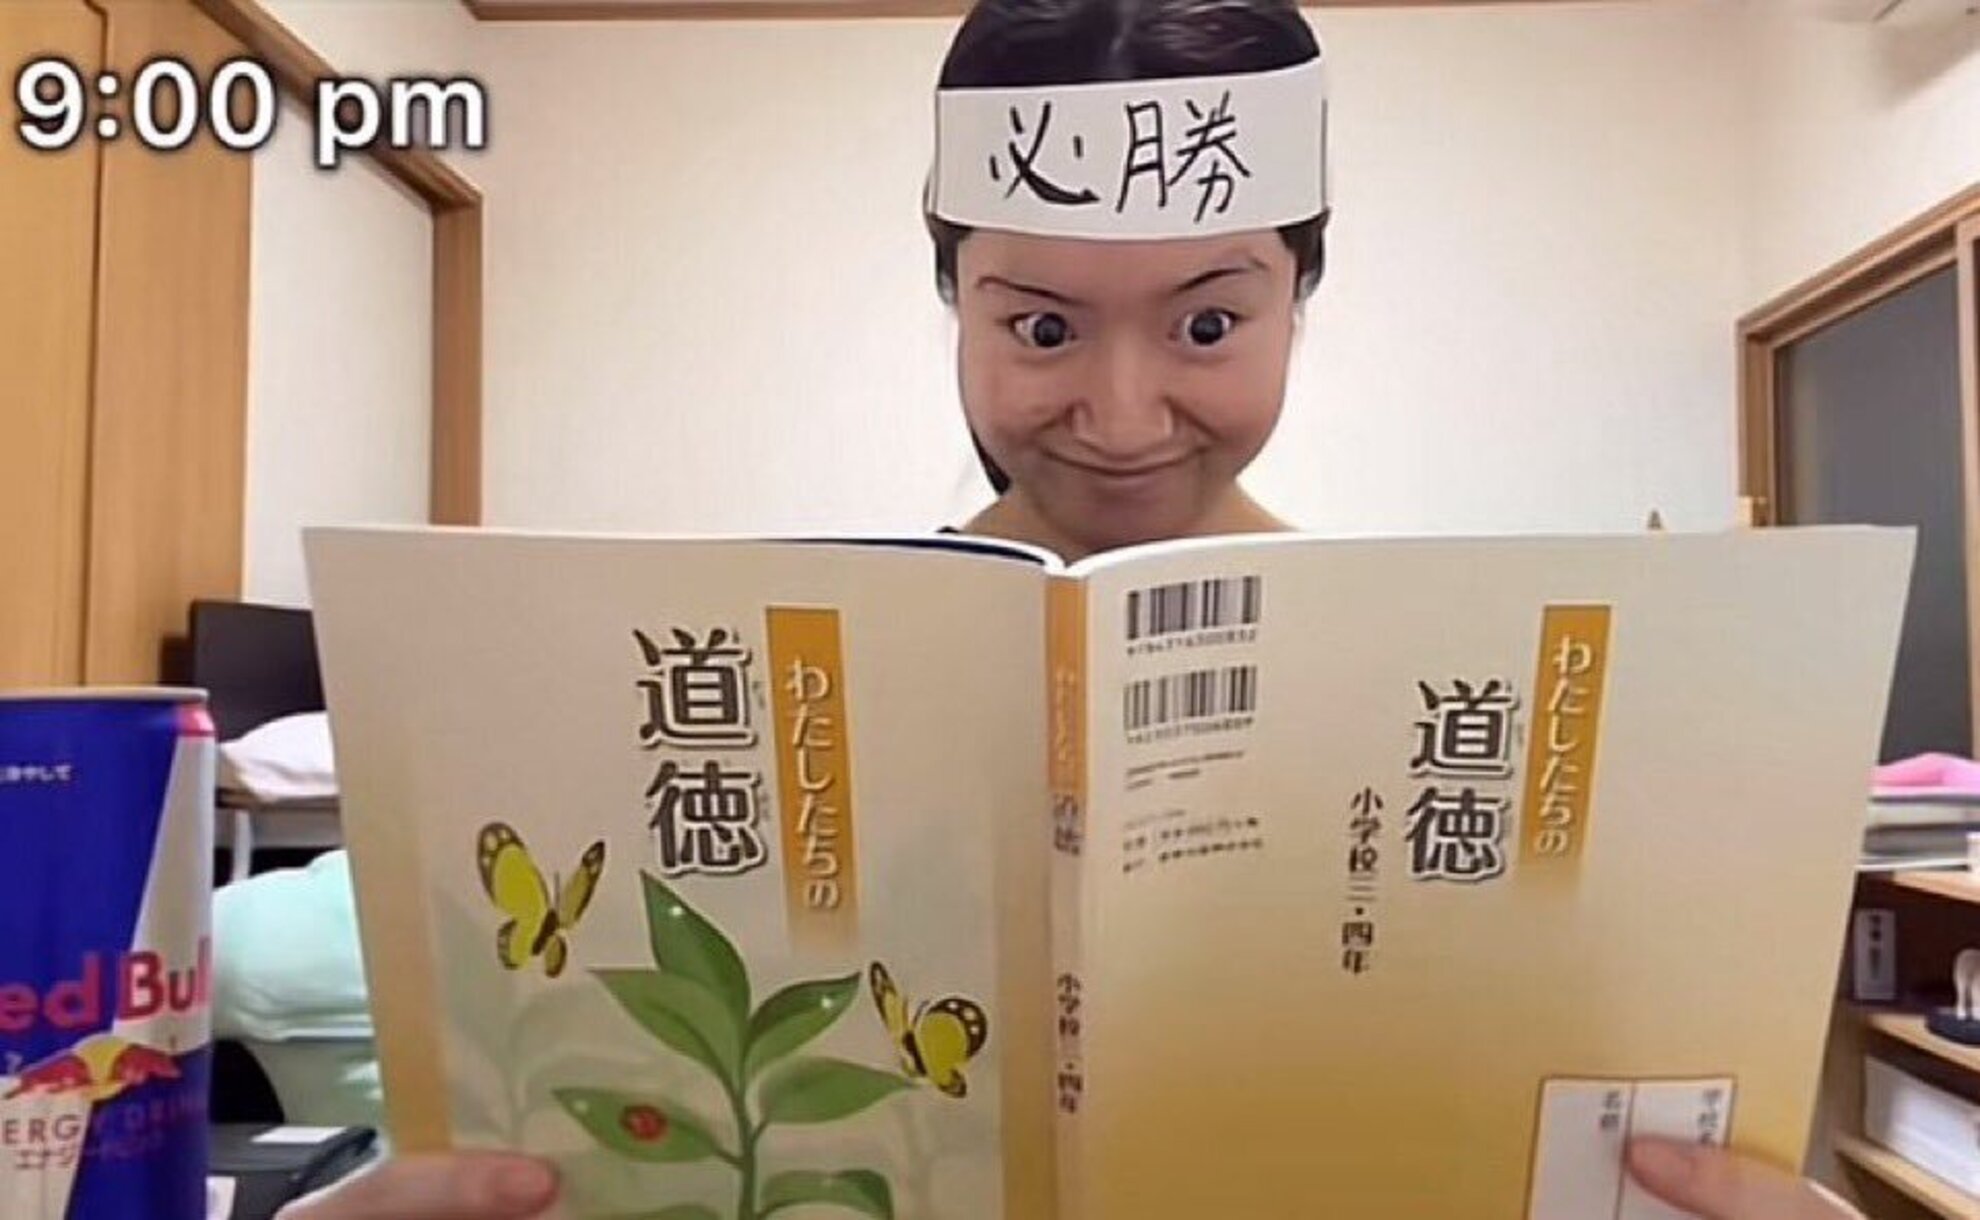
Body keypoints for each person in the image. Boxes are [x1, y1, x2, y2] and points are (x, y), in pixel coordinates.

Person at [278, 0, 1865, 1215]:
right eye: (1040, 327)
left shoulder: (1451, 688)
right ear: (953, 304)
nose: (1120, 415)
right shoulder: (821, 652)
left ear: (1299, 299)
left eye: (1208, 323)